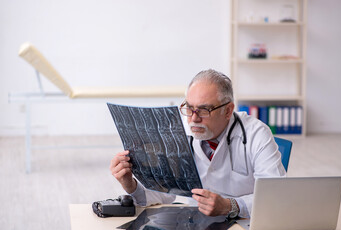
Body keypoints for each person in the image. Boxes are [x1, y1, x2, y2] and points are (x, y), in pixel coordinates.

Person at [110, 69, 286, 218]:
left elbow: (277, 197)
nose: (194, 118)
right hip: (194, 225)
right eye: (189, 108)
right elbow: (167, 193)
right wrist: (130, 185)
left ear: (228, 110)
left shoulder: (256, 134)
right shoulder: (181, 133)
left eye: (204, 110)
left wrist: (231, 205)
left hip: (243, 224)